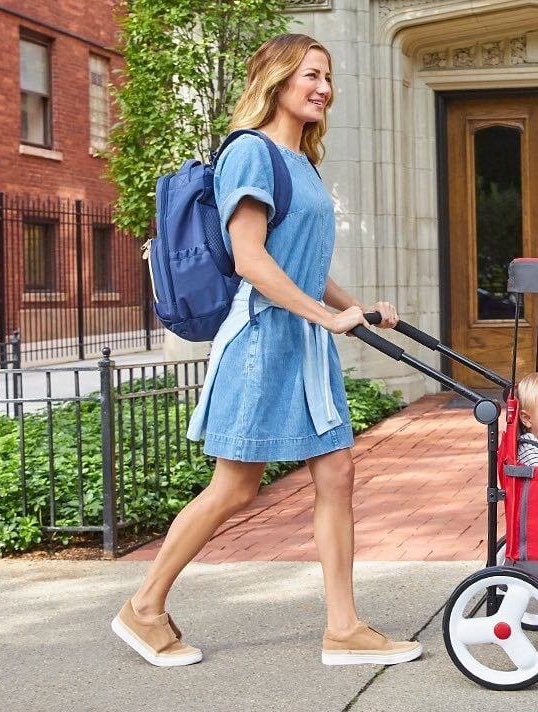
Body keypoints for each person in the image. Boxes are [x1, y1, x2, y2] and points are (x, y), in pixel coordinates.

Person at [111, 34, 422, 668]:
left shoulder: (302, 161)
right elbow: (252, 261)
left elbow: (302, 264)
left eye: (329, 78)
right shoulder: (251, 154)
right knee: (235, 487)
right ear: (276, 79)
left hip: (304, 338)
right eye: (311, 74)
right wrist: (326, 316)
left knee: (337, 473)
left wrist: (356, 306)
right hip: (262, 340)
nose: (324, 88)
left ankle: (344, 627)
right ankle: (144, 606)